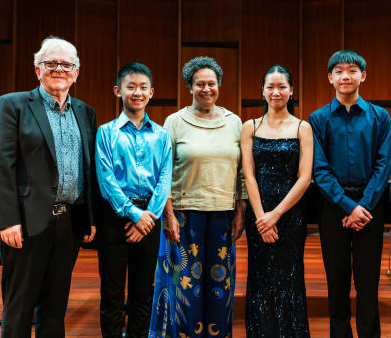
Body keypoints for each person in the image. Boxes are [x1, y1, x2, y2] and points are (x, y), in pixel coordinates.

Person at [0, 36, 97, 338]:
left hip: (69, 224)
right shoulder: (12, 105)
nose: (58, 69)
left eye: (66, 64)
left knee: (55, 307)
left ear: (76, 73)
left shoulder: (85, 112)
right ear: (38, 70)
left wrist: (89, 218)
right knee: (19, 307)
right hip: (27, 222)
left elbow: (89, 170)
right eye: (51, 63)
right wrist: (7, 220)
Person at [149, 56, 246, 338]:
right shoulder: (174, 121)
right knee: (184, 287)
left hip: (223, 215)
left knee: (220, 288)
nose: (206, 89)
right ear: (190, 87)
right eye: (199, 83)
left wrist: (240, 212)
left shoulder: (234, 122)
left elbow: (241, 172)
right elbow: (163, 173)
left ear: (219, 86)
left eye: (211, 83)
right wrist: (167, 216)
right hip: (183, 215)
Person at [309, 50, 391, 338]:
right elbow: (319, 169)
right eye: (339, 71)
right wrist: (347, 207)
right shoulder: (318, 118)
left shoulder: (380, 117)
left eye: (353, 70)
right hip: (333, 208)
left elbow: (384, 165)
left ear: (363, 76)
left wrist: (362, 207)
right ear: (329, 78)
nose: (346, 75)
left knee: (368, 284)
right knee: (337, 281)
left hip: (371, 206)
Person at [95, 63, 172, 338]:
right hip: (115, 218)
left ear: (151, 92)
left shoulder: (163, 135)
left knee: (143, 292)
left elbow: (165, 180)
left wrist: (147, 216)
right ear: (118, 91)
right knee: (112, 293)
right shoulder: (105, 132)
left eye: (142, 87)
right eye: (130, 87)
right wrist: (133, 214)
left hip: (150, 219)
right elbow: (105, 179)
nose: (136, 92)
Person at [241, 65, 313, 337]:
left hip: (290, 216)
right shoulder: (250, 126)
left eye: (282, 86)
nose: (276, 92)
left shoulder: (302, 127)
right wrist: (262, 218)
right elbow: (249, 175)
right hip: (258, 216)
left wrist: (276, 215)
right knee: (260, 281)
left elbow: (304, 178)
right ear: (262, 91)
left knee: (290, 281)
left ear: (291, 91)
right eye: (270, 86)